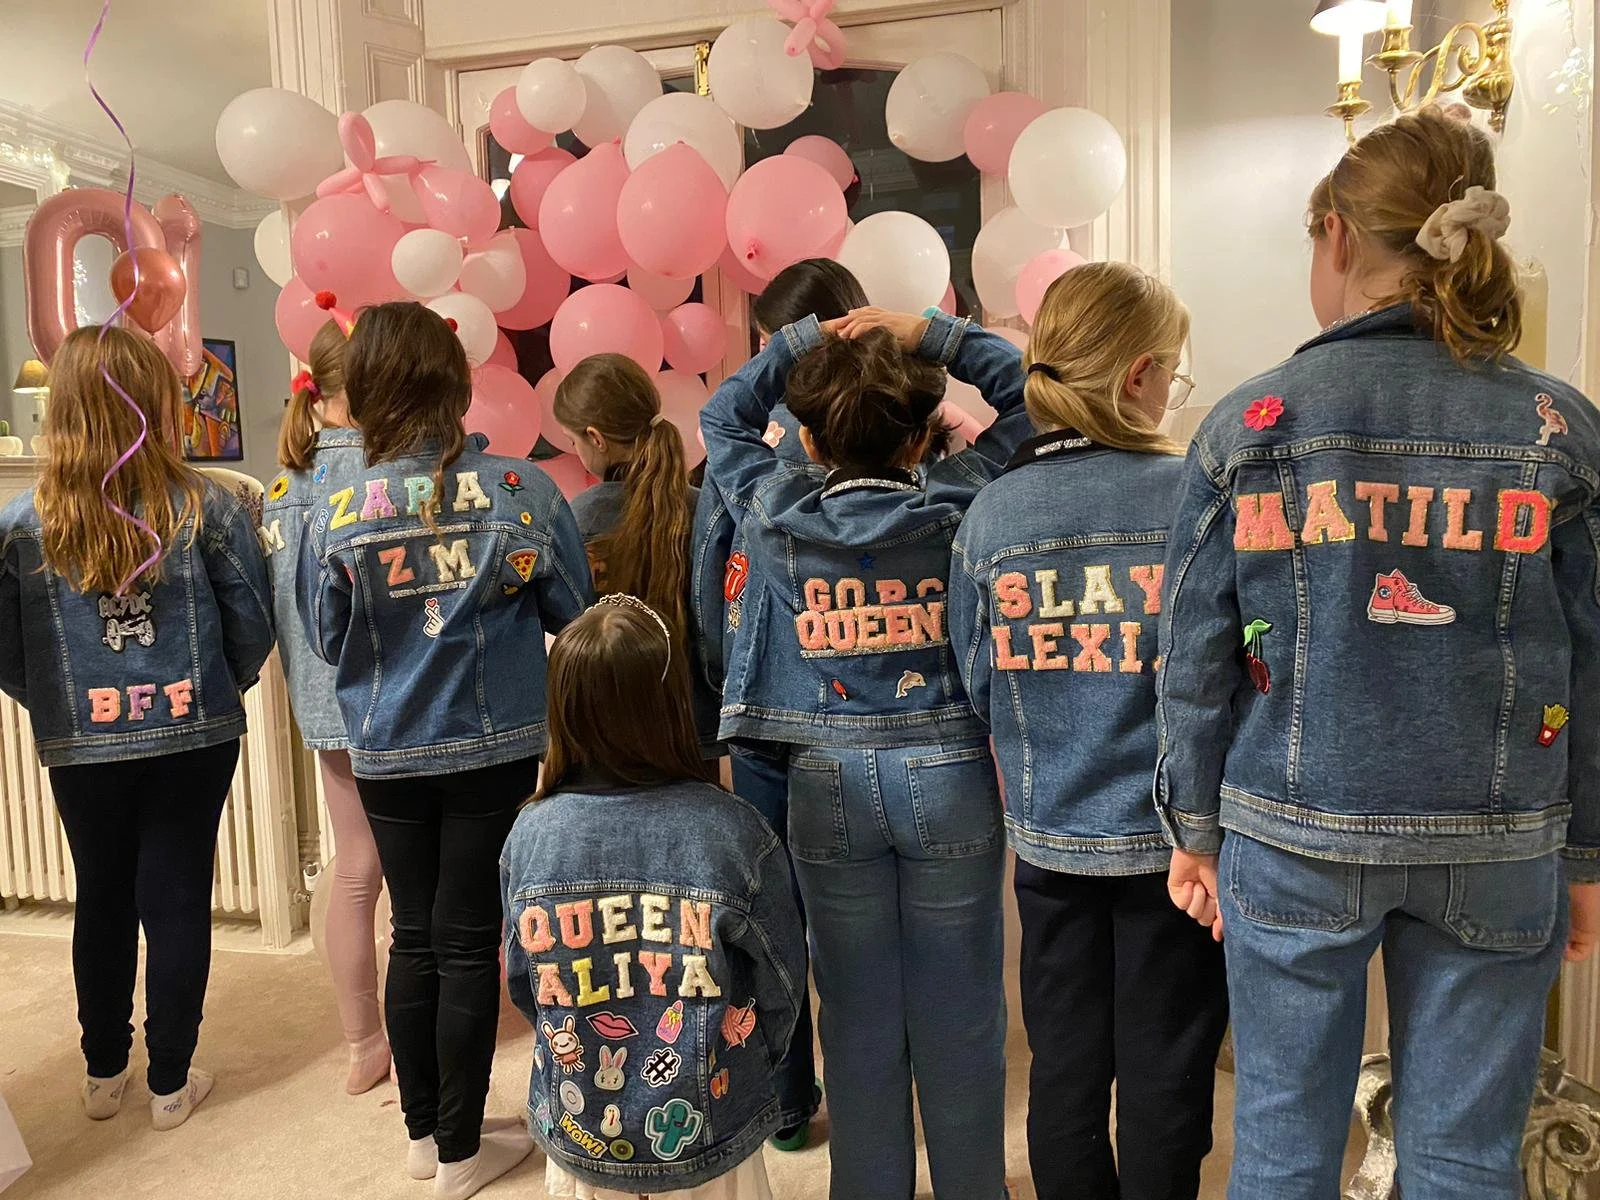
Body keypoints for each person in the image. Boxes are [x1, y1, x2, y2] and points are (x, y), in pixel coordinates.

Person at [1157, 105, 1600, 1200]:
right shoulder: (1558, 428)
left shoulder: (1254, 421)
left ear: (1337, 239)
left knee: (1279, 1141)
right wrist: (1585, 858)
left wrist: (1193, 832)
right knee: (1461, 1156)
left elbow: (1190, 656)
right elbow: (1590, 668)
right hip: (1499, 837)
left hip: (1293, 827)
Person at [700, 305, 1030, 1200]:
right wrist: (932, 332)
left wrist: (804, 340)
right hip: (951, 771)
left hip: (828, 778)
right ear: (925, 434)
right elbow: (1033, 401)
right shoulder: (963, 500)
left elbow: (724, 417)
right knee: (962, 1008)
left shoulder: (775, 513)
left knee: (853, 1012)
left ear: (807, 435)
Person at [297, 301, 594, 1199]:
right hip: (491, 746)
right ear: (457, 384)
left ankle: (427, 1137)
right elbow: (571, 613)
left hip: (384, 745)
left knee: (414, 938)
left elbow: (323, 633)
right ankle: (462, 1151)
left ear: (370, 392)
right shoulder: (521, 491)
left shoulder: (334, 507)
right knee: (468, 942)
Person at [949, 262, 1228, 1200]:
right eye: (1176, 375)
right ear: (1141, 376)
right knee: (1167, 1073)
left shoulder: (992, 512)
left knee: (1063, 1075)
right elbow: (1227, 671)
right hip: (1175, 848)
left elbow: (979, 681)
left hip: (1050, 840)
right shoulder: (1194, 494)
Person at [0, 325, 274, 1130]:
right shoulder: (208, 505)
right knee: (179, 893)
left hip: (82, 741)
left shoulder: (23, 522)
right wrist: (223, 688)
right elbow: (252, 622)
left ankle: (102, 1071)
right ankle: (170, 1085)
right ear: (156, 401)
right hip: (193, 730)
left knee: (103, 893)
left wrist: (60, 708)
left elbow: (9, 651)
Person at [501, 595, 806, 1200]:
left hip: (578, 1117)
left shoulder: (529, 836)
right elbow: (782, 982)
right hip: (709, 1126)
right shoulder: (733, 830)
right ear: (671, 706)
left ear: (561, 708)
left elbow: (522, 981)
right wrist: (744, 1074)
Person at [689, 257, 868, 1148]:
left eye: (772, 342)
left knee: (779, 917)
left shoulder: (750, 465)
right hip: (829, 716)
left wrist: (725, 687)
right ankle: (830, 1098)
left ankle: (796, 1102)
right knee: (849, 917)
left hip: (767, 716)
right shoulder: (896, 444)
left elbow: (704, 588)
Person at [263, 319, 391, 1095]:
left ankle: (361, 1041)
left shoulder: (284, 484)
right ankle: (408, 1037)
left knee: (353, 870)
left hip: (321, 701)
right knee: (406, 878)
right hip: (389, 695)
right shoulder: (377, 474)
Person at [553, 355, 718, 762]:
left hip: (611, 724)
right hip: (695, 722)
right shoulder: (706, 511)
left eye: (573, 442)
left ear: (595, 438)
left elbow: (568, 621)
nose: (576, 451)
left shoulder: (582, 516)